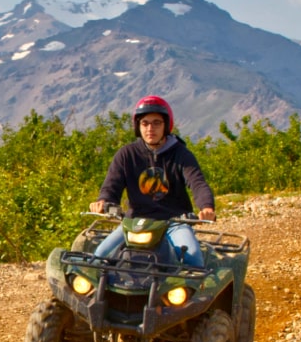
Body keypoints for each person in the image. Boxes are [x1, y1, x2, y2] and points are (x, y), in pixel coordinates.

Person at [88, 95, 216, 266]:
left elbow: (197, 182)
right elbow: (112, 185)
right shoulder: (127, 154)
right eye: (145, 123)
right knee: (99, 257)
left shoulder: (181, 154)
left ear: (166, 126)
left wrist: (206, 206)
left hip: (174, 223)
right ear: (138, 127)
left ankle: (198, 293)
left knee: (192, 258)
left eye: (157, 123)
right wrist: (103, 201)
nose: (150, 128)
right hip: (134, 223)